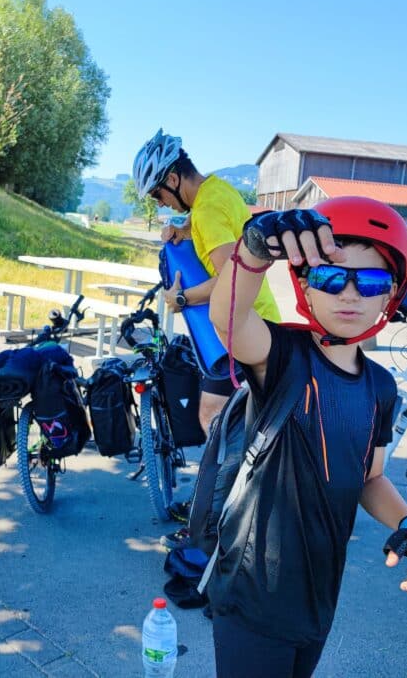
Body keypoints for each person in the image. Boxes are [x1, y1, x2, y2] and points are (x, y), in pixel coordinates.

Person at [204, 197, 407, 678]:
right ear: (306, 290)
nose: (349, 294)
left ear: (389, 295)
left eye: (369, 281)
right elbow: (226, 319)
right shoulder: (281, 355)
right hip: (252, 592)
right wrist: (252, 251)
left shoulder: (380, 387)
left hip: (318, 596)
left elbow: (371, 479)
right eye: (331, 277)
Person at [133, 129, 281, 540]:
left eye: (158, 195)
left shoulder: (209, 211)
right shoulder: (218, 192)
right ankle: (221, 509)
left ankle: (215, 523)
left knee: (215, 421)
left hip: (241, 330)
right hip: (261, 323)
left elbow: (228, 278)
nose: (160, 204)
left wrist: (180, 297)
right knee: (235, 423)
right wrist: (183, 228)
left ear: (174, 180)